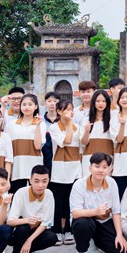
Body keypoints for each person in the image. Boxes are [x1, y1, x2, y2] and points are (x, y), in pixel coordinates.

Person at [69, 152, 127, 253]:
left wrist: (119, 235)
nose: (101, 170)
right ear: (90, 168)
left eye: (104, 167)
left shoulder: (112, 183)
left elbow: (116, 212)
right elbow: (76, 213)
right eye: (97, 166)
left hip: (104, 221)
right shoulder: (79, 184)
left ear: (110, 169)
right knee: (82, 224)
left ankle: (94, 240)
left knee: (119, 252)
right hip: (85, 220)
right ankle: (81, 251)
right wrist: (95, 211)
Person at [6, 165, 57, 253]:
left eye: (44, 181)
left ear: (48, 181)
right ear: (30, 181)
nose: (40, 185)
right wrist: (27, 220)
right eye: (36, 181)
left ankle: (29, 251)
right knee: (24, 227)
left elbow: (46, 223)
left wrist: (29, 241)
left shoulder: (49, 194)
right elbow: (10, 221)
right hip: (18, 232)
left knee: (52, 238)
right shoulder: (21, 193)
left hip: (35, 231)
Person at [48, 101, 80, 244]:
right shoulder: (54, 127)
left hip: (75, 168)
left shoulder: (78, 127)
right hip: (59, 169)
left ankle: (68, 229)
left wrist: (72, 124)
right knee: (58, 202)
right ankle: (56, 230)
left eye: (71, 109)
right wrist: (70, 123)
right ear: (59, 112)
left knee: (70, 201)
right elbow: (67, 140)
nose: (69, 112)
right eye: (66, 110)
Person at [6, 93, 46, 194]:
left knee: (34, 197)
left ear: (36, 106)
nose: (26, 107)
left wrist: (37, 126)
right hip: (17, 168)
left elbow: (38, 146)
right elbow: (7, 149)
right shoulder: (11, 125)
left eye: (30, 104)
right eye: (24, 104)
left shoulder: (41, 124)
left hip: (34, 167)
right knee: (16, 197)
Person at [81, 90, 115, 178]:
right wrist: (86, 131)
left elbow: (116, 142)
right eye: (98, 101)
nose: (101, 104)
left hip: (107, 159)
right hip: (89, 159)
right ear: (94, 102)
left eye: (103, 101)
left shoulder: (112, 119)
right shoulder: (86, 119)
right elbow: (83, 142)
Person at [42, 91, 60, 173]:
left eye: (55, 101)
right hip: (44, 156)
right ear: (45, 103)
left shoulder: (63, 120)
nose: (52, 104)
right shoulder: (40, 120)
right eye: (49, 101)